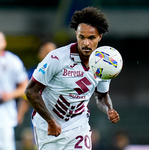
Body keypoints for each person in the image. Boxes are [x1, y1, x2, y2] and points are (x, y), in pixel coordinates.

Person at [25, 6, 120, 150]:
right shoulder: (56, 58)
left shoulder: (105, 64)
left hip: (78, 125)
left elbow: (101, 96)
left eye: (91, 38)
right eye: (82, 37)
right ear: (76, 34)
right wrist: (50, 121)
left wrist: (109, 109)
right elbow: (30, 91)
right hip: (47, 128)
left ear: (100, 36)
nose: (86, 43)